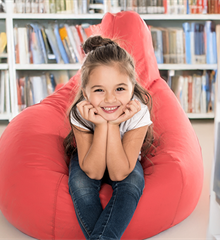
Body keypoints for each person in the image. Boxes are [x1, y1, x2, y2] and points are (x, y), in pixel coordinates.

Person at [63, 35, 155, 240]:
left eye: (120, 89)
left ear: (133, 87)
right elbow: (93, 173)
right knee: (80, 185)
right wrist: (100, 125)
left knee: (132, 185)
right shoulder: (80, 111)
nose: (110, 99)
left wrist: (113, 124)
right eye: (99, 90)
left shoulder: (138, 112)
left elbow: (119, 173)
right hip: (89, 158)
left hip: (122, 158)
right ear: (85, 94)